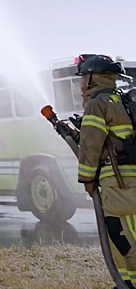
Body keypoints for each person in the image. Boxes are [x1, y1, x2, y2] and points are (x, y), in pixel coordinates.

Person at [76, 54, 136, 287]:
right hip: (128, 179)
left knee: (121, 237)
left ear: (93, 79)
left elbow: (91, 146)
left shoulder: (97, 104)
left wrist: (87, 178)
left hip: (118, 182)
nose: (81, 85)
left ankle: (126, 284)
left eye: (82, 79)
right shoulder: (124, 102)